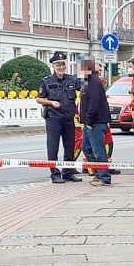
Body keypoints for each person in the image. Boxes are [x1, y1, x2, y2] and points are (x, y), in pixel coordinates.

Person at [37, 51, 83, 183]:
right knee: (53, 147)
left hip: (69, 118)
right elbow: (39, 99)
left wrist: (89, 69)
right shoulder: (46, 81)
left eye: (63, 64)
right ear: (53, 66)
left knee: (70, 147)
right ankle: (55, 174)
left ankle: (68, 172)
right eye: (58, 65)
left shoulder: (72, 79)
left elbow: (86, 88)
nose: (61, 67)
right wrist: (51, 102)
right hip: (53, 119)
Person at [75, 63, 117, 176]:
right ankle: (99, 172)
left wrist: (88, 119)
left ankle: (104, 177)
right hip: (89, 122)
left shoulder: (93, 81)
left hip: (95, 122)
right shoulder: (88, 81)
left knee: (98, 151)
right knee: (86, 148)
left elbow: (94, 101)